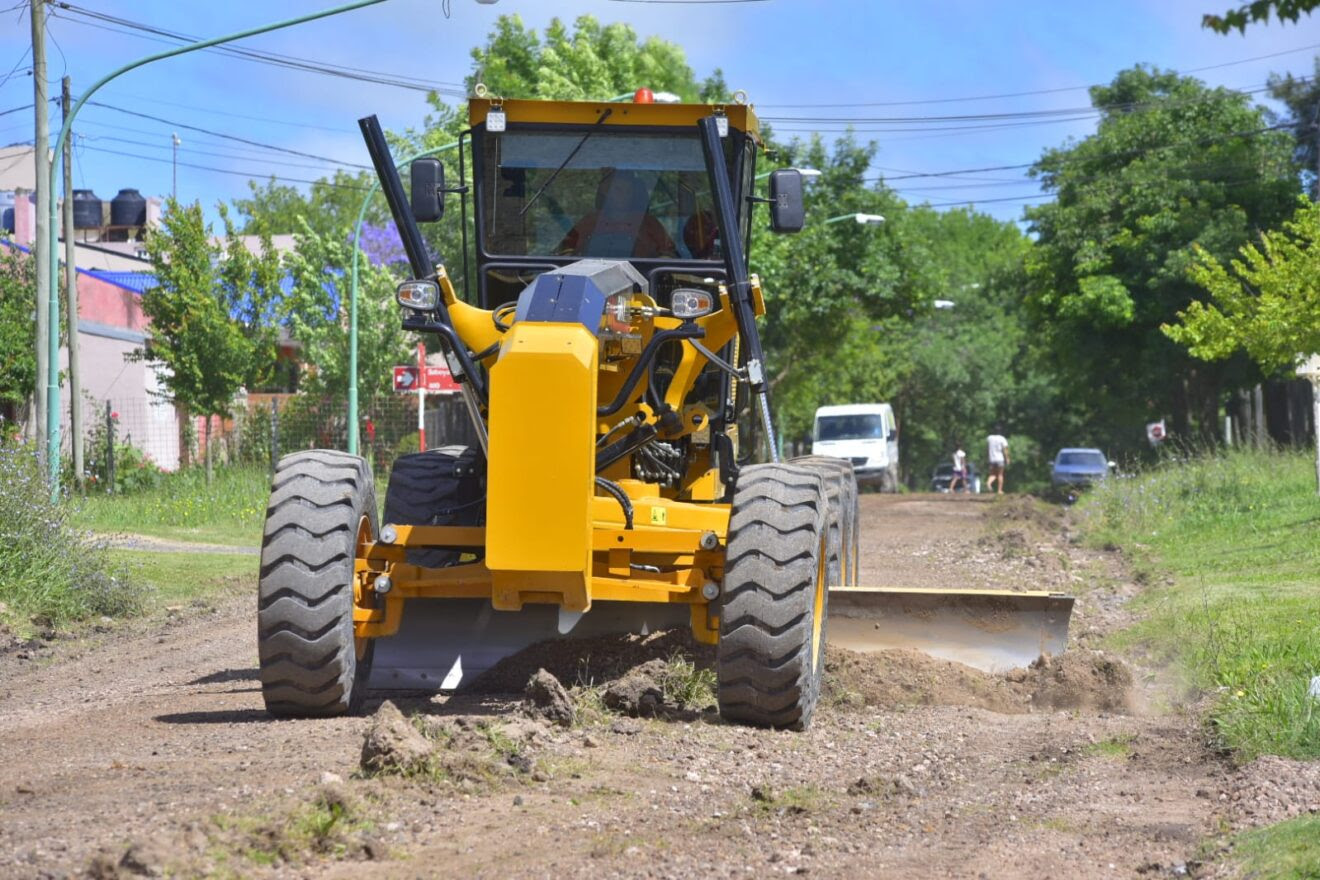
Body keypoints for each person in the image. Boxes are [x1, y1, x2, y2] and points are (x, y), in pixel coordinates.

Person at [558, 169, 677, 259]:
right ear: (606, 192)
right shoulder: (590, 222)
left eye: (628, 191)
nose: (623, 195)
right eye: (618, 190)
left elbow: (668, 255)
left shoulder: (648, 223)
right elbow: (565, 252)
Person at [986, 427, 1010, 494]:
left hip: (992, 459)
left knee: (992, 474)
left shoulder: (989, 438)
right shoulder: (1002, 439)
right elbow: (1005, 450)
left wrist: (987, 457)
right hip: (1000, 459)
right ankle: (999, 490)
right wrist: (1007, 458)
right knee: (1000, 474)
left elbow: (987, 449)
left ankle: (988, 483)